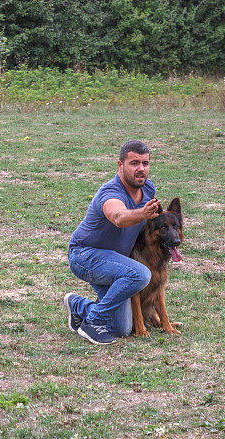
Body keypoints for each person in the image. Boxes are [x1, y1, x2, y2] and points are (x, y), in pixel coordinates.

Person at [63, 140, 160, 345]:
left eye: (145, 163)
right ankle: (93, 321)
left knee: (121, 328)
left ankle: (78, 305)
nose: (141, 169)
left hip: (115, 264)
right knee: (141, 273)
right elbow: (118, 216)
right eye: (134, 163)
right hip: (85, 256)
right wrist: (142, 213)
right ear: (120, 165)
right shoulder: (110, 192)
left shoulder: (149, 189)